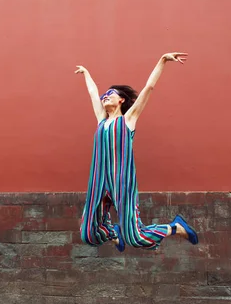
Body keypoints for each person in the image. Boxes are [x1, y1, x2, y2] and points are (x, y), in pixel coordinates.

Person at [76, 52, 199, 252]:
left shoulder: (128, 120)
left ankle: (175, 227)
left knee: (135, 238)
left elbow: (148, 88)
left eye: (111, 94)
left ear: (121, 101)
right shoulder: (101, 120)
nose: (105, 96)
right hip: (98, 182)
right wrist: (86, 73)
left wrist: (162, 60)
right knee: (88, 235)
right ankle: (112, 232)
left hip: (121, 182)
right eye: (104, 95)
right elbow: (92, 92)